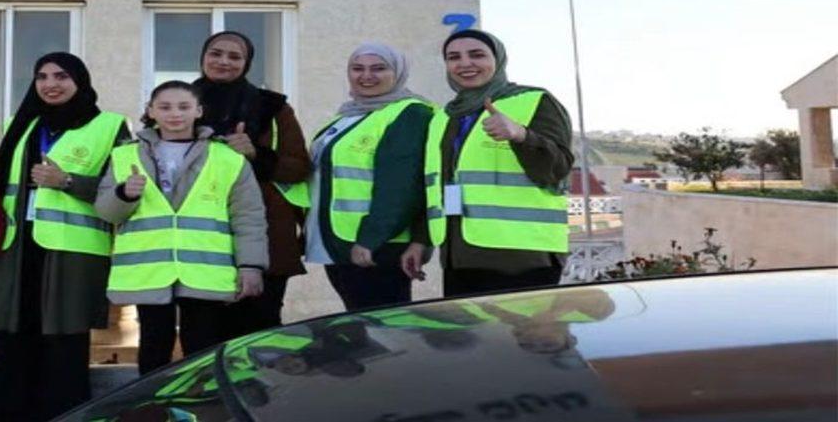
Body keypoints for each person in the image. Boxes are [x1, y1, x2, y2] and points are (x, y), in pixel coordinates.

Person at [0, 52, 131, 421]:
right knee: (12, 338)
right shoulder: (22, 123)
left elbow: (124, 191)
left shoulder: (110, 126)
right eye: (42, 76)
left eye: (61, 76)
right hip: (16, 249)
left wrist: (67, 181)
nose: (51, 84)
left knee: (64, 343)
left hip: (73, 252)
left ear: (79, 81)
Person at [95, 81, 267, 375]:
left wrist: (251, 265)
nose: (175, 114)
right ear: (151, 111)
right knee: (153, 345)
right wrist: (124, 194)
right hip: (149, 269)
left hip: (205, 268)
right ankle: (153, 402)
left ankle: (200, 402)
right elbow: (106, 212)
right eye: (165, 107)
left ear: (199, 111)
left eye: (184, 107)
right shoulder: (124, 156)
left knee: (201, 348)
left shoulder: (227, 157)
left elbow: (248, 216)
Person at [405, 29, 574, 298]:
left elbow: (557, 169)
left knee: (523, 328)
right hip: (459, 255)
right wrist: (421, 241)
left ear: (498, 59)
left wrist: (521, 135)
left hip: (522, 257)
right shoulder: (445, 116)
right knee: (467, 328)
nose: (465, 64)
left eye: (477, 55)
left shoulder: (535, 101)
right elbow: (438, 186)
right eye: (454, 57)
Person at [192, 31, 311, 336]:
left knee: (259, 335)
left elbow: (299, 167)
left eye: (235, 56)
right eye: (216, 53)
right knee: (204, 336)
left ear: (247, 64)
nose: (224, 62)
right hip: (198, 238)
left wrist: (256, 154)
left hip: (265, 236)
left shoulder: (273, 107)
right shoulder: (179, 103)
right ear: (203, 57)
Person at [307, 43, 434, 312]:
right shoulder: (349, 115)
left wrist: (370, 239)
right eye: (357, 68)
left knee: (384, 330)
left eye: (378, 69)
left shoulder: (409, 113)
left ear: (398, 73)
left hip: (375, 248)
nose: (366, 76)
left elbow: (401, 187)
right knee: (360, 325)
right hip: (338, 242)